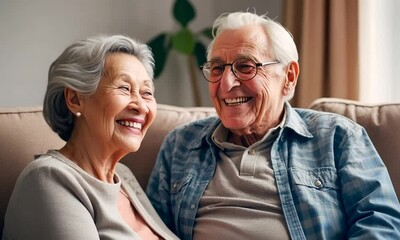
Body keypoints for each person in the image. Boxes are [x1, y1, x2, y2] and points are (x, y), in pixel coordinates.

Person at [146, 11, 400, 240]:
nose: (226, 84)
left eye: (245, 66)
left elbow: (381, 224)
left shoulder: (339, 137)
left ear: (288, 77)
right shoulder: (181, 144)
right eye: (217, 68)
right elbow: (150, 229)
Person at [3, 35, 179, 240]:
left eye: (147, 92)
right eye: (124, 88)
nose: (140, 105)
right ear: (75, 99)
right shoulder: (48, 178)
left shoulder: (123, 176)